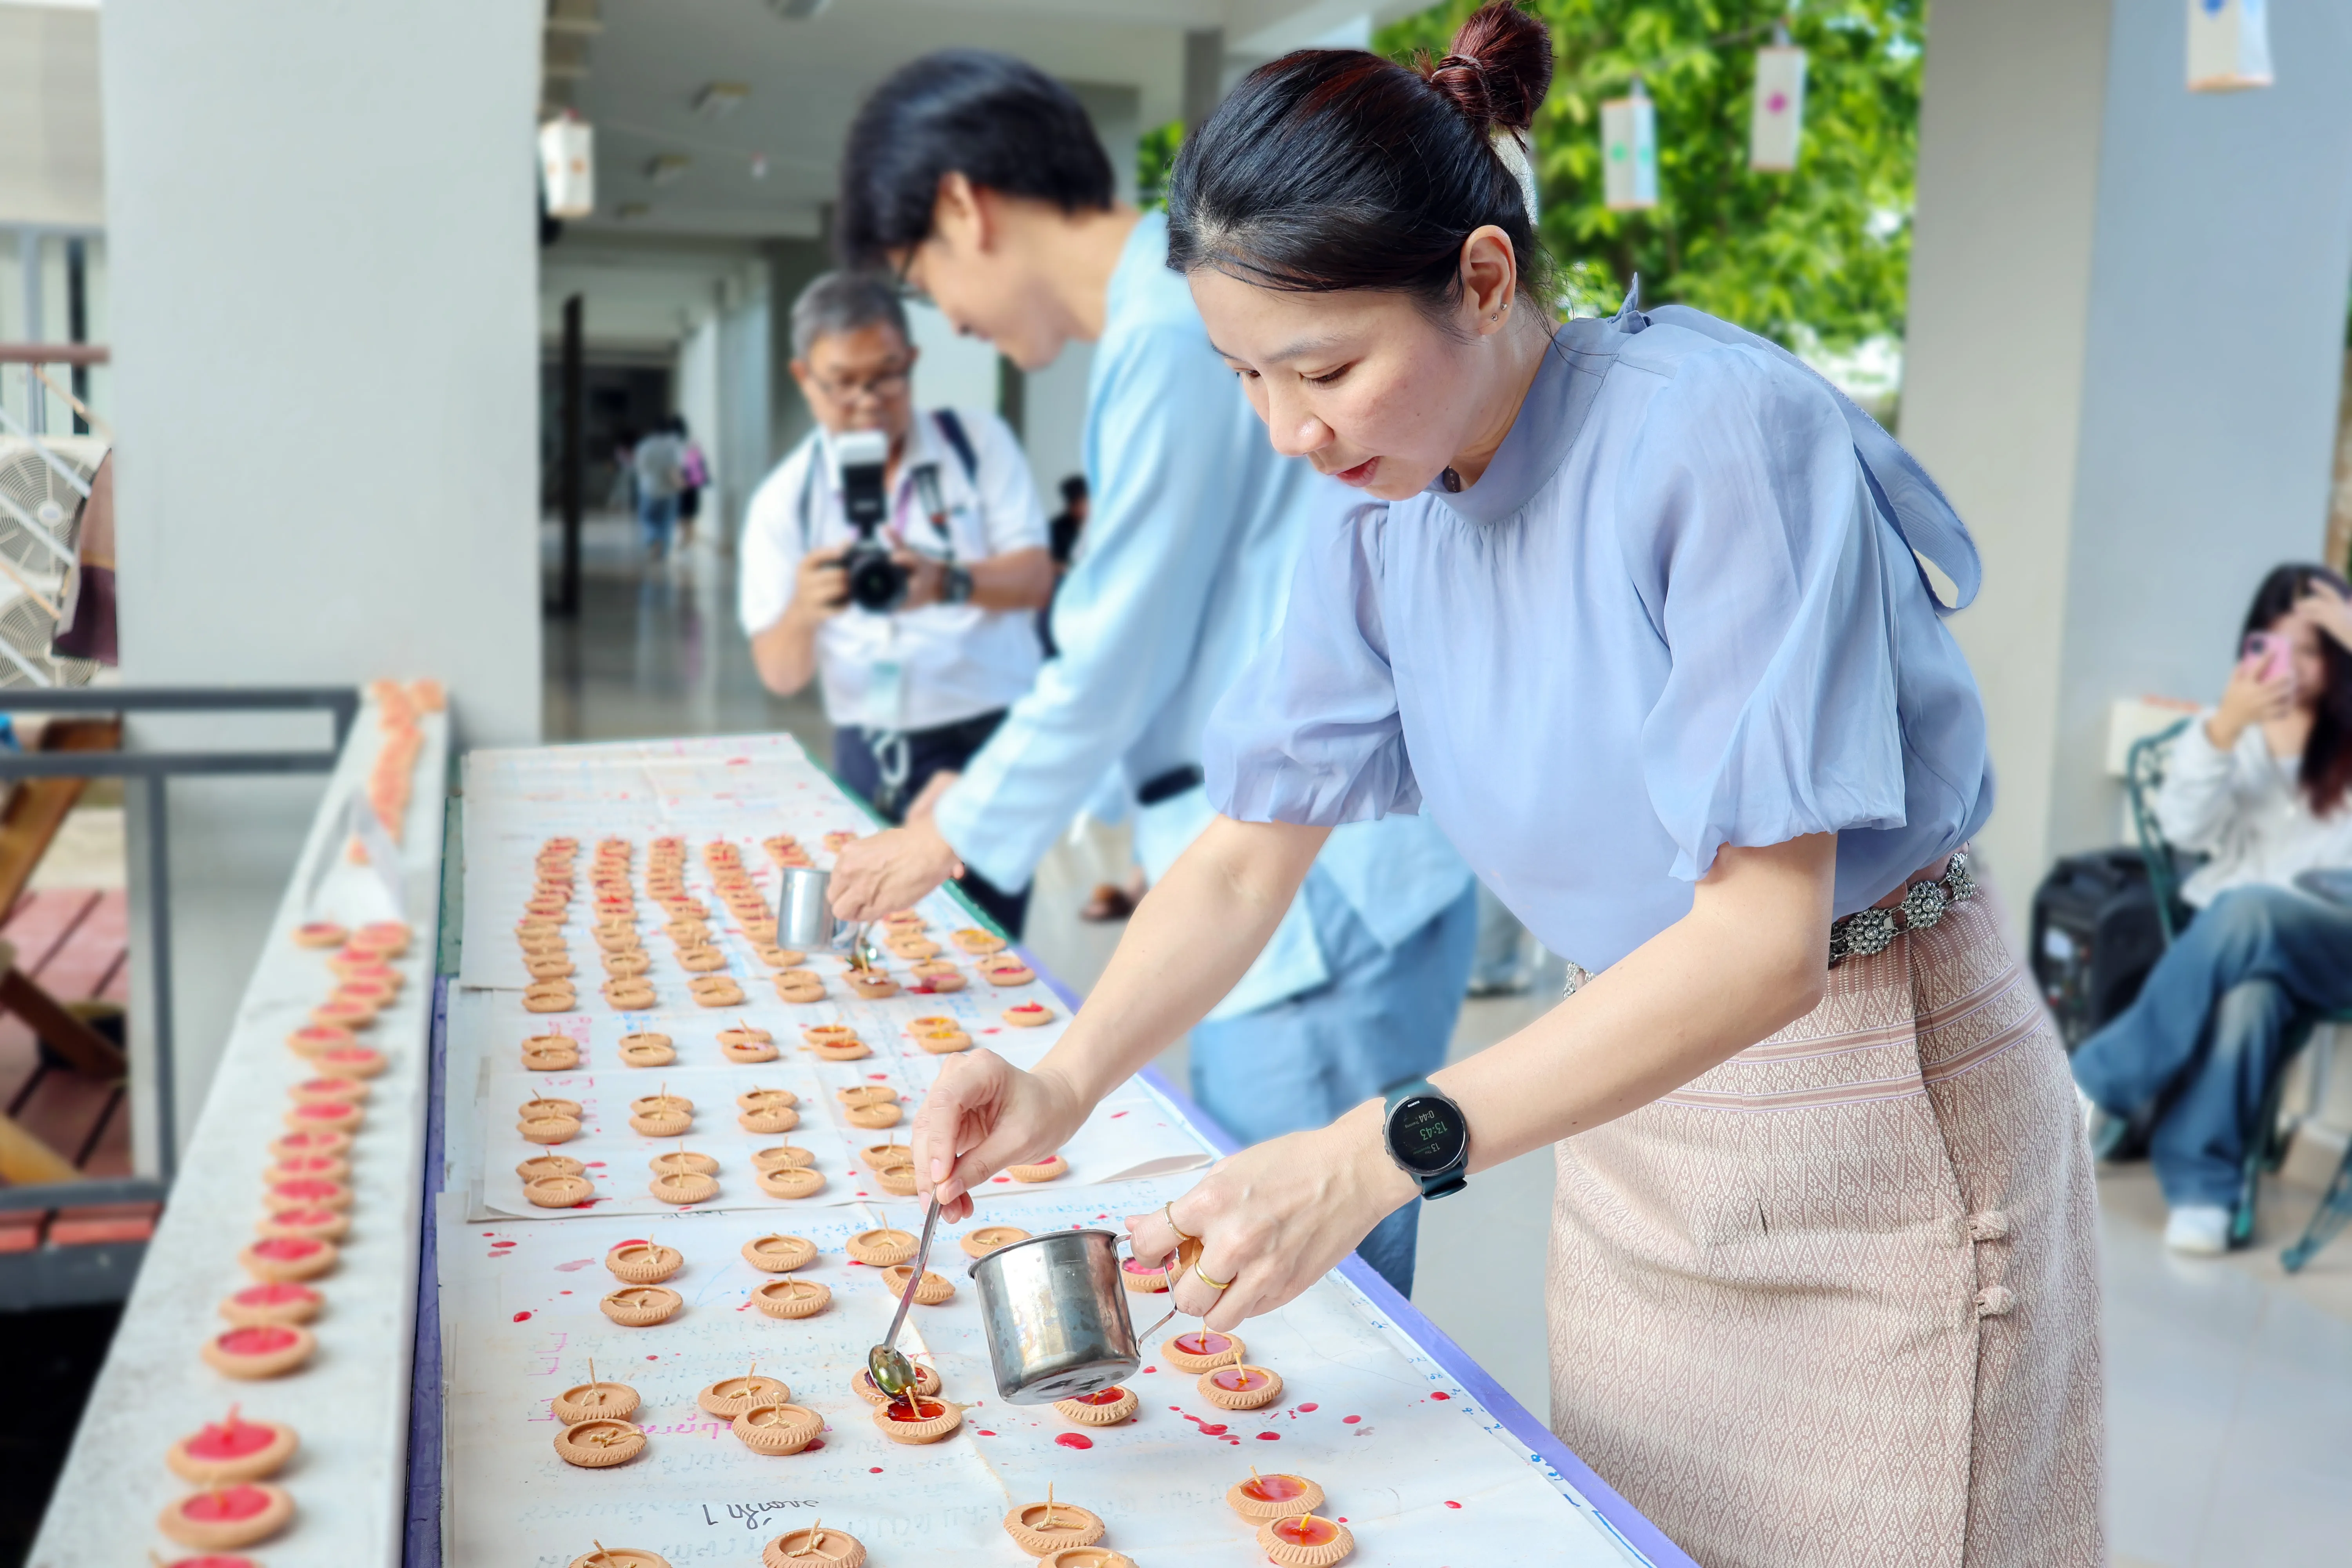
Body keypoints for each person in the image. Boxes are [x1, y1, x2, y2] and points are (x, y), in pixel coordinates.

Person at [899, 9, 2102, 1567]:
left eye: (1325, 367)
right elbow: (1245, 857)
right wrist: (1064, 1080)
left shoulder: (1716, 441)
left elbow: (1760, 943)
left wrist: (1371, 1153)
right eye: (1248, 377)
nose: (1291, 430)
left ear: (1480, 278)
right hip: (1630, 1117)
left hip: (1874, 1119)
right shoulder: (1372, 511)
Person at [826, 47, 1478, 1295]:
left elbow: (1118, 640)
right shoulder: (1179, 326)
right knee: (1265, 1255)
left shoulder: (1178, 327)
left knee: (1307, 1285)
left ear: (964, 207)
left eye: (923, 284)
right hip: (1278, 842)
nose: (950, 320)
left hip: (1318, 886)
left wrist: (955, 827)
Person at [740, 270, 1054, 935]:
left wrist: (946, 582)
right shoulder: (785, 499)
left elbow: (1036, 579)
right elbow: (780, 673)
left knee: (987, 945)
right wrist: (803, 610)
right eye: (842, 382)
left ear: (912, 362)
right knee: (865, 938)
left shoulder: (977, 444)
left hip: (986, 737)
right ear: (805, 379)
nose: (867, 401)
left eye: (885, 376)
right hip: (869, 745)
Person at [2073, 564, 2352, 1255]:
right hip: (2240, 945)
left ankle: (2098, 1078)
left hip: (2337, 941)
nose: (2297, 666)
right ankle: (2203, 1192)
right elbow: (2184, 833)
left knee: (2249, 909)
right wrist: (2226, 730)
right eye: (2279, 646)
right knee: (2249, 997)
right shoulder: (2233, 735)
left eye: (2317, 649)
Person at [631, 420, 686, 561]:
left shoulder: (645, 446)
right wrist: (681, 484)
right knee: (666, 522)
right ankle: (662, 551)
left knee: (648, 519)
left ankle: (653, 539)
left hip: (649, 489)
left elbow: (639, 468)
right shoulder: (673, 446)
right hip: (668, 491)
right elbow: (676, 469)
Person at [675, 416, 709, 549]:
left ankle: (686, 538)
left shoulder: (675, 445)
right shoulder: (692, 443)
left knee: (682, 512)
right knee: (690, 512)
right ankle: (689, 538)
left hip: (682, 480)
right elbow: (700, 462)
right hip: (694, 482)